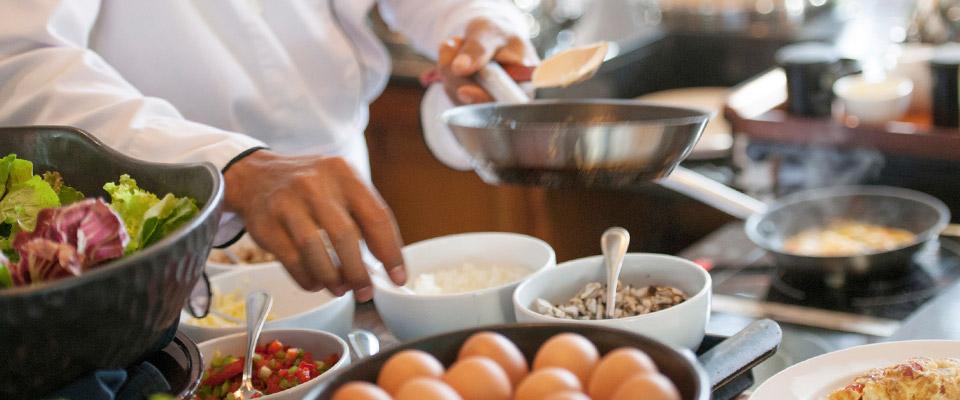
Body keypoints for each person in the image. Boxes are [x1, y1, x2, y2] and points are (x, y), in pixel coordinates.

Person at [0, 1, 538, 302]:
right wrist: (230, 166)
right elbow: (23, 61)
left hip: (343, 200)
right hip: (163, 234)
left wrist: (475, 20)